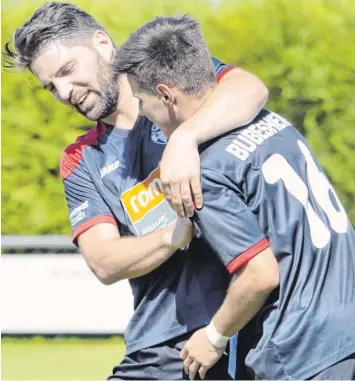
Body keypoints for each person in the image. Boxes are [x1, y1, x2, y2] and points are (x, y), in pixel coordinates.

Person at [3, 3, 269, 379]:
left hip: (253, 324)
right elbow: (104, 261)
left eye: (66, 71)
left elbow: (250, 89)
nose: (64, 92)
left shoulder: (170, 79)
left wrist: (185, 140)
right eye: (50, 86)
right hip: (162, 351)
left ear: (101, 43)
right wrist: (172, 236)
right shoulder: (81, 159)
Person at [114, 15, 355, 380]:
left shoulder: (202, 172)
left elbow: (259, 275)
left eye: (143, 102)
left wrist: (213, 337)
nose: (143, 115)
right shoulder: (268, 121)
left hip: (301, 348)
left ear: (165, 94)